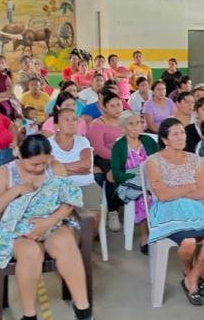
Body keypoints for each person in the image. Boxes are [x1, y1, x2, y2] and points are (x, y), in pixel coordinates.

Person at [0, 135, 98, 320]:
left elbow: (68, 200)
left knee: (65, 243)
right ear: (19, 156)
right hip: (18, 232)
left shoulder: (55, 167)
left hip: (51, 223)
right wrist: (16, 190)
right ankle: (29, 318)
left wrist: (49, 221)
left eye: (44, 163)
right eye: (34, 164)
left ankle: (83, 310)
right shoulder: (4, 173)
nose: (40, 168)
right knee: (30, 253)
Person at [145, 118, 204, 306]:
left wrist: (175, 190)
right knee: (188, 242)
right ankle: (189, 271)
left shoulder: (195, 160)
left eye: (182, 133)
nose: (181, 137)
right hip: (167, 210)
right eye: (175, 134)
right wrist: (189, 186)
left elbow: (203, 192)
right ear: (165, 139)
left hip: (195, 208)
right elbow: (162, 195)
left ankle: (192, 277)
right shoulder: (153, 161)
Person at [111, 111, 159, 254]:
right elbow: (117, 174)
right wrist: (135, 175)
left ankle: (162, 230)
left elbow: (158, 161)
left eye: (138, 123)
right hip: (129, 182)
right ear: (123, 127)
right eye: (131, 124)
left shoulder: (148, 141)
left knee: (162, 193)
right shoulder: (119, 146)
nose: (136, 126)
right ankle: (146, 235)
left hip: (150, 178)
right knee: (145, 197)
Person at [88, 92, 125, 231]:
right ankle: (113, 211)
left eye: (118, 105)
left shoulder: (126, 120)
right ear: (105, 108)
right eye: (112, 106)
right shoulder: (97, 124)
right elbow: (99, 148)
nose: (117, 108)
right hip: (104, 158)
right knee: (112, 174)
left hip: (127, 156)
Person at [48, 108, 96, 209]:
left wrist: (60, 168)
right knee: (61, 214)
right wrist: (79, 169)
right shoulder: (48, 144)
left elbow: (86, 166)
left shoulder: (83, 141)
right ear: (56, 126)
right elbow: (49, 170)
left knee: (92, 215)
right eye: (66, 120)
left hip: (85, 185)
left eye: (74, 119)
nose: (71, 123)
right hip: (58, 188)